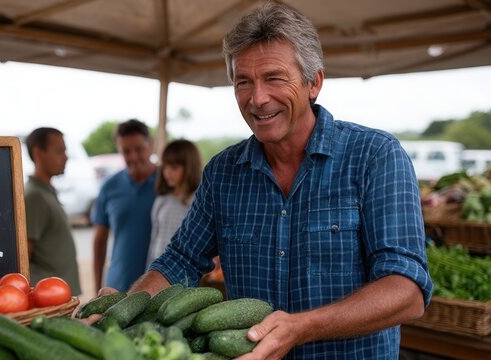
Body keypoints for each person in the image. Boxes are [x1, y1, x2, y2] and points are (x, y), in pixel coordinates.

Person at [126, 3, 433, 359]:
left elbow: (407, 292)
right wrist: (124, 307)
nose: (257, 98)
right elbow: (179, 261)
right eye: (243, 81)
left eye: (274, 77)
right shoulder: (223, 172)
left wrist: (301, 327)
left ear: (314, 82)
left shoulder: (375, 156)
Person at [91, 119, 157, 293]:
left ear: (150, 145)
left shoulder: (170, 184)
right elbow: (99, 241)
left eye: (139, 149)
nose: (133, 157)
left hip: (160, 288)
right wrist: (97, 287)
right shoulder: (109, 186)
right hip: (118, 286)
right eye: (126, 151)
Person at [24, 127, 81, 296]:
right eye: (59, 151)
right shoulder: (34, 196)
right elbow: (24, 255)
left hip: (59, 294)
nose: (66, 157)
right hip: (49, 296)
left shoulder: (45, 190)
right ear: (38, 153)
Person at [147, 139, 202, 266]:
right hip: (158, 267)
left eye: (174, 167)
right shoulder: (162, 200)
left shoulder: (199, 200)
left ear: (189, 167)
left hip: (184, 270)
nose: (167, 172)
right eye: (165, 166)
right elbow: (154, 239)